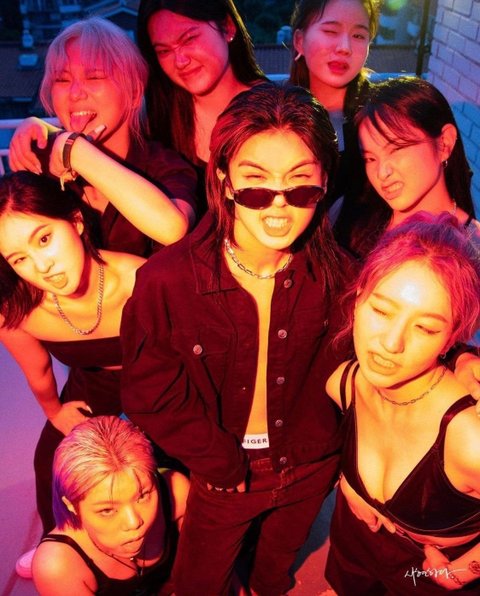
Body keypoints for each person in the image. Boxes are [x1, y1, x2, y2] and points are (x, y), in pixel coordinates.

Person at [120, 83, 352, 595]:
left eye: (301, 186)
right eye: (255, 184)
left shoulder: (344, 279)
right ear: (224, 181)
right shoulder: (167, 282)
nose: (278, 206)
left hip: (312, 465)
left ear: (324, 183)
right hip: (224, 473)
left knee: (273, 575)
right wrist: (218, 461)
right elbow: (149, 391)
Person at [325, 213, 480, 594]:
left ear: (450, 340)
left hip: (428, 573)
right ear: (357, 300)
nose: (391, 343)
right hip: (354, 544)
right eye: (381, 310)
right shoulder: (343, 384)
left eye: (425, 327)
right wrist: (348, 485)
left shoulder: (469, 438)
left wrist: (462, 572)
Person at [0, 172, 145, 576]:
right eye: (18, 259)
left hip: (157, 382)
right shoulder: (17, 309)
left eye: (44, 239)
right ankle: (60, 543)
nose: (41, 266)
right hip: (92, 383)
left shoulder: (139, 278)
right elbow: (39, 371)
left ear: (76, 222)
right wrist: (54, 413)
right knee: (51, 459)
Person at [9, 17, 197, 257]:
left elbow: (173, 228)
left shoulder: (166, 167)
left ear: (134, 92)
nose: (75, 93)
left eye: (94, 77)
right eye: (62, 80)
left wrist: (76, 152)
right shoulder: (39, 164)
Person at [32, 415, 189, 595]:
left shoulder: (175, 491)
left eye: (143, 496)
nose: (133, 522)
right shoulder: (58, 566)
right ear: (71, 505)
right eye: (107, 510)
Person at [136, 0, 265, 213]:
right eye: (164, 51)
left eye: (189, 39)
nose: (180, 60)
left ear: (228, 27)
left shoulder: (279, 111)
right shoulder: (155, 124)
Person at [337, 76, 478, 259]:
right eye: (370, 159)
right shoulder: (355, 223)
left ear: (444, 143)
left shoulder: (473, 249)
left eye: (396, 148)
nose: (382, 172)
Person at [290, 0, 381, 215]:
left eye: (358, 36)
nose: (344, 48)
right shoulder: (273, 115)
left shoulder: (385, 116)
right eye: (331, 31)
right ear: (300, 41)